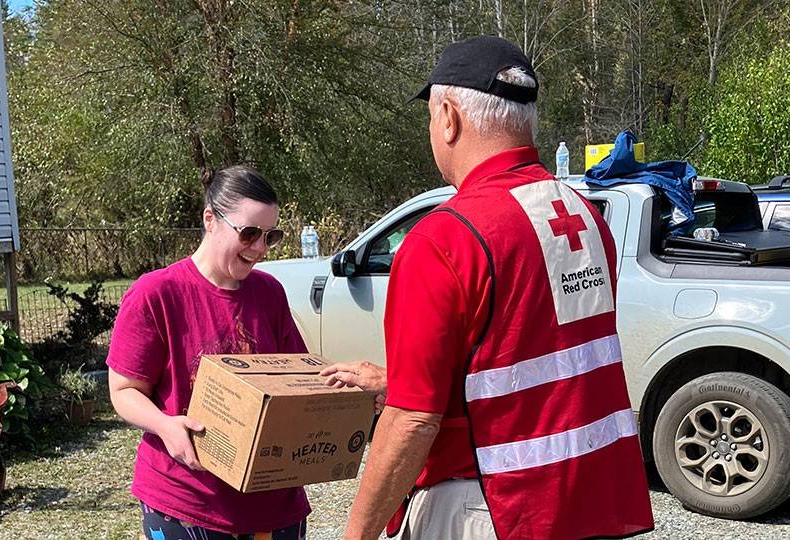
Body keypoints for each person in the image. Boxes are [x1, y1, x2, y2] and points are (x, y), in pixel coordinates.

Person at [330, 36, 655, 540]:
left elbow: (414, 421)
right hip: (586, 497)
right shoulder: (583, 215)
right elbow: (527, 360)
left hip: (492, 507)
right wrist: (397, 381)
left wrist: (356, 535)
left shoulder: (445, 238)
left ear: (448, 118)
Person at [106, 165, 310, 539]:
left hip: (274, 504)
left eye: (271, 236)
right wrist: (165, 426)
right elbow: (123, 391)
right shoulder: (157, 293)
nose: (260, 248)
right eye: (249, 233)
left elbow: (295, 378)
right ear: (210, 220)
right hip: (188, 503)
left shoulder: (270, 294)